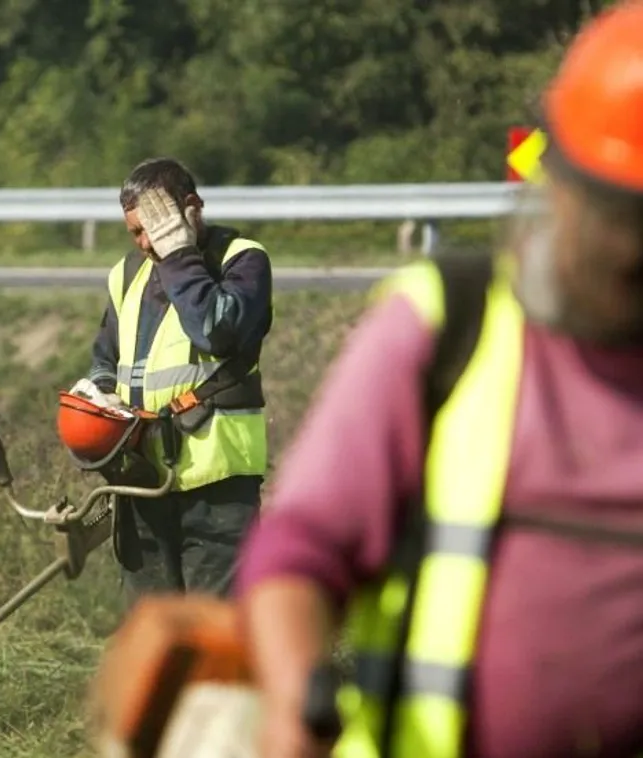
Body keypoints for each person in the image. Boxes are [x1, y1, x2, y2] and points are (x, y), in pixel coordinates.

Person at [236, 3, 643, 756]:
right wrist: (294, 702)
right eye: (619, 220)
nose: (628, 254)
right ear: (560, 187)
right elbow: (299, 546)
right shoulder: (447, 328)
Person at [66, 157, 274, 606]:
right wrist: (99, 392)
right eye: (136, 232)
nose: (145, 244)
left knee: (215, 634)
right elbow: (105, 357)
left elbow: (217, 332)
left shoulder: (243, 261)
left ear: (192, 208)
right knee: (152, 632)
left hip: (219, 485)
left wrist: (179, 253)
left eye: (153, 230)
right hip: (142, 477)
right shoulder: (126, 274)